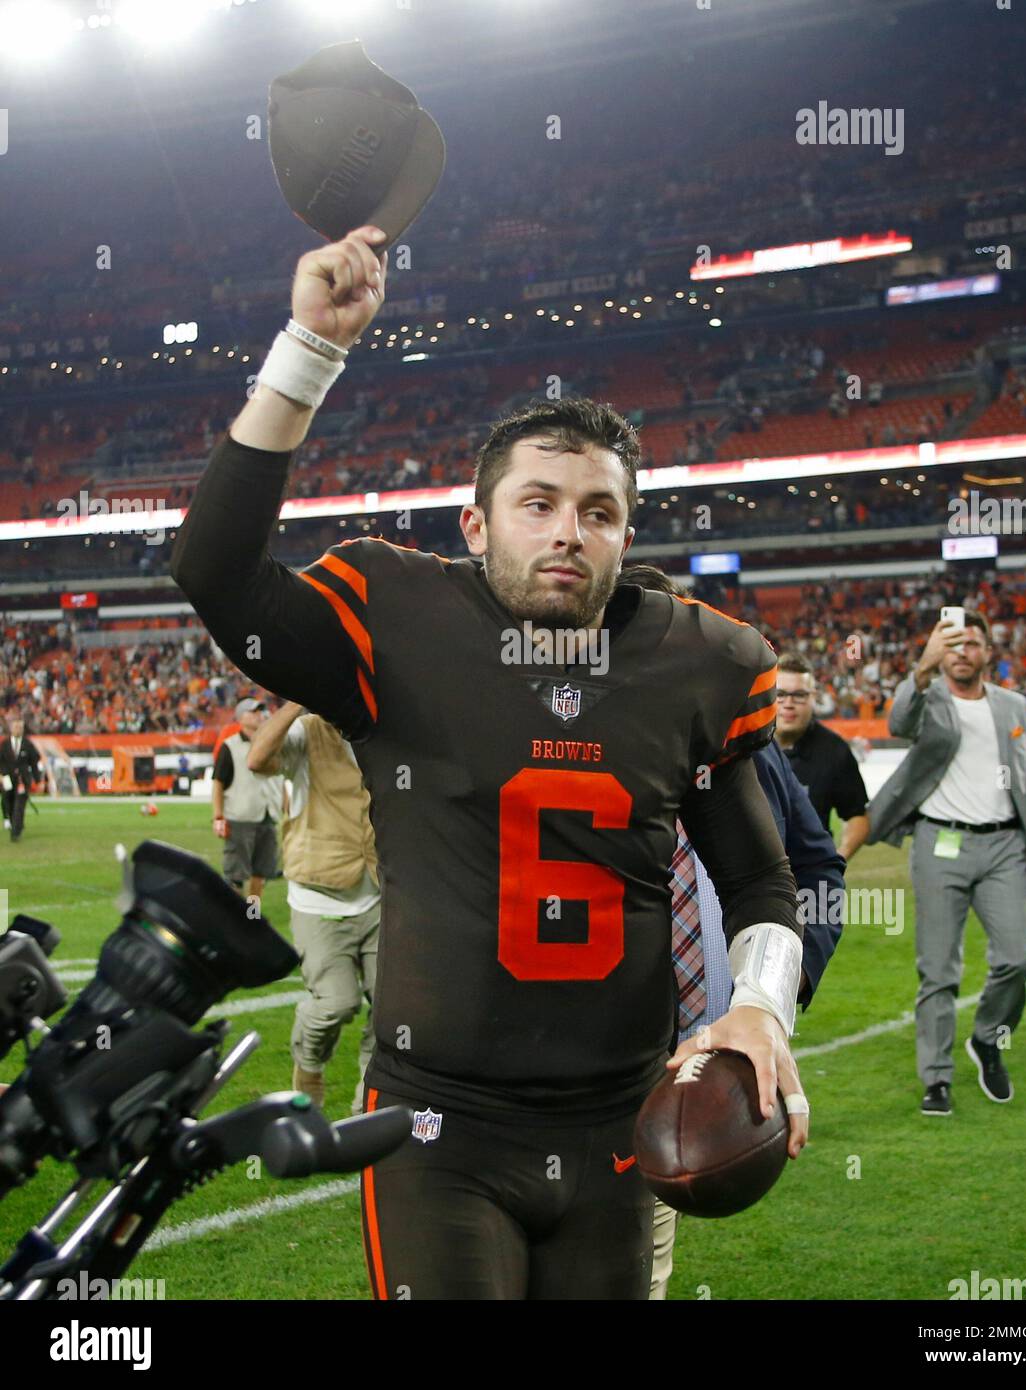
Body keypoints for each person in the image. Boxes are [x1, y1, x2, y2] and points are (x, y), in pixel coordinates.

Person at [170, 223, 809, 1301]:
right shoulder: (397, 618)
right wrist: (307, 351)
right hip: (438, 1126)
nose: (569, 531)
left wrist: (760, 1005)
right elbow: (215, 569)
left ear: (625, 531)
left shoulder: (697, 660)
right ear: (477, 523)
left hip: (621, 1123)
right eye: (539, 503)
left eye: (599, 511)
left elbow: (759, 879)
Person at [620, 566, 844, 1300]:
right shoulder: (559, 740)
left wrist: (775, 990)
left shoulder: (743, 740)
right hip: (586, 1043)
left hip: (705, 1047)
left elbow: (816, 868)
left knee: (639, 1272)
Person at [866, 613, 1026, 1116]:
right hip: (940, 843)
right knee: (938, 970)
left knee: (1018, 956)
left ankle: (987, 1038)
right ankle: (936, 1078)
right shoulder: (928, 696)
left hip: (1005, 846)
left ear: (987, 652)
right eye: (954, 644)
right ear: (942, 651)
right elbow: (898, 723)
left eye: (973, 644)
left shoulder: (1012, 705)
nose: (963, 652)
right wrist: (921, 669)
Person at [247, 700, 380, 1115]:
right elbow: (258, 759)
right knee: (336, 1003)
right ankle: (308, 1064)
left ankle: (367, 1102)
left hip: (380, 892)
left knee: (393, 1009)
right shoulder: (308, 731)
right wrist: (295, 702)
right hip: (319, 895)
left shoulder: (385, 733)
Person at [774, 653, 871, 859]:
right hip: (752, 880)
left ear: (814, 697)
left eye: (799, 694)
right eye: (780, 694)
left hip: (811, 877)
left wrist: (837, 860)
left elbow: (856, 815)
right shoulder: (743, 747)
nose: (788, 703)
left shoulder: (834, 750)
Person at [211, 697, 283, 899]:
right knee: (236, 874)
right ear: (241, 717)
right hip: (240, 817)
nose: (260, 715)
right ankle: (236, 920)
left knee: (260, 874)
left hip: (268, 815)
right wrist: (218, 815)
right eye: (254, 712)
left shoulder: (273, 743)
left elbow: (278, 778)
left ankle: (252, 915)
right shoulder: (230, 746)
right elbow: (218, 783)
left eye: (261, 711)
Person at [0, 714, 41, 842]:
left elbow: (34, 762)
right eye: (16, 727)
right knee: (8, 802)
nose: (18, 729)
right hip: (7, 778)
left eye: (20, 727)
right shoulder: (5, 744)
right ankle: (14, 823)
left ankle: (16, 832)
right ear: (11, 728)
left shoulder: (28, 744)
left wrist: (38, 779)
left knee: (19, 804)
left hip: (23, 779)